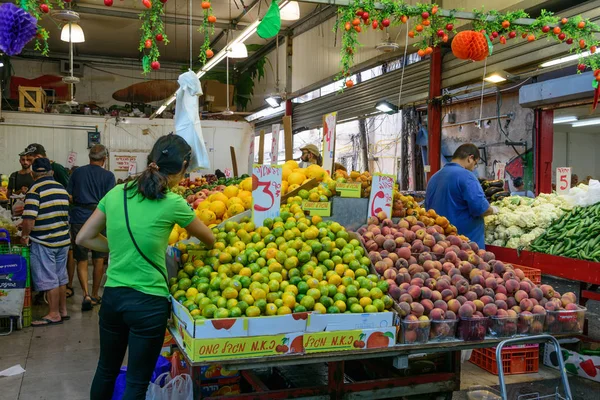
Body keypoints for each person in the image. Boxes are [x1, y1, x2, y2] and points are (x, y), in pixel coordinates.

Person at [76, 134, 215, 399]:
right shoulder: (173, 202)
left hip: (113, 299)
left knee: (106, 370)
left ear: (151, 159)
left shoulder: (117, 193)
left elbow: (83, 237)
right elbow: (210, 239)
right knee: (136, 384)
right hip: (148, 303)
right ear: (183, 166)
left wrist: (119, 246)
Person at [21, 158, 71, 326]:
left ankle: (53, 313)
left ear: (34, 173)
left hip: (44, 241)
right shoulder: (61, 188)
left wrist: (24, 236)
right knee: (60, 277)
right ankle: (63, 311)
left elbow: (29, 219)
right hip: (63, 240)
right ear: (51, 172)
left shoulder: (35, 189)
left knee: (49, 278)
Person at [67, 144, 116, 311]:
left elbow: (70, 196)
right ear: (104, 159)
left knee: (80, 258)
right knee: (99, 258)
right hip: (99, 218)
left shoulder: (77, 172)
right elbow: (111, 201)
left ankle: (86, 294)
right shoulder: (109, 176)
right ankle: (95, 294)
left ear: (89, 158)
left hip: (79, 217)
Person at [425, 144, 498, 249]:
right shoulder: (467, 176)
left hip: (440, 244)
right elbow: (481, 209)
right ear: (470, 158)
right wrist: (494, 210)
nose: (473, 168)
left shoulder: (434, 177)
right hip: (465, 245)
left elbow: (428, 209)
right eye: (475, 163)